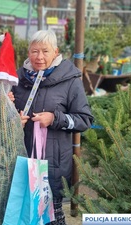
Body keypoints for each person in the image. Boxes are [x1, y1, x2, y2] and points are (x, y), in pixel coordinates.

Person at [12, 29, 94, 225]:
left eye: (45, 51)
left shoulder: (70, 80)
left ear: (55, 52)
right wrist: (12, 117)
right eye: (34, 51)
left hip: (52, 165)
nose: (39, 57)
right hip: (22, 158)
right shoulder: (17, 79)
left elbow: (85, 120)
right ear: (28, 52)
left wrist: (55, 118)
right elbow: (9, 113)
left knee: (51, 217)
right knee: (22, 216)